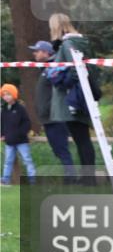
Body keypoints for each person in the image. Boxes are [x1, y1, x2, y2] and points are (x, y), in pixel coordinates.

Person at [46, 13, 98, 185]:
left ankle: (88, 179)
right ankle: (87, 177)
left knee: (82, 139)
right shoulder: (76, 43)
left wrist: (63, 83)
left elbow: (76, 69)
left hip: (71, 99)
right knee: (81, 139)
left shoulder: (68, 44)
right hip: (77, 96)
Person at [29, 41, 75, 182]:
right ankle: (70, 176)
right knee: (58, 150)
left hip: (55, 117)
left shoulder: (54, 67)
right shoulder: (44, 69)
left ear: (46, 52)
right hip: (48, 118)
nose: (34, 53)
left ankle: (71, 178)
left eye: (37, 51)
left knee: (62, 149)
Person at [1, 83, 37, 185]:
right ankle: (5, 180)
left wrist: (20, 134)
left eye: (8, 94)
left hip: (21, 141)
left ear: (14, 94)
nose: (6, 96)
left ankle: (32, 180)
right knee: (8, 161)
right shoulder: (4, 109)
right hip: (9, 142)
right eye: (4, 94)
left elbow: (27, 123)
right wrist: (2, 134)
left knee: (27, 160)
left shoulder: (20, 108)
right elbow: (2, 124)